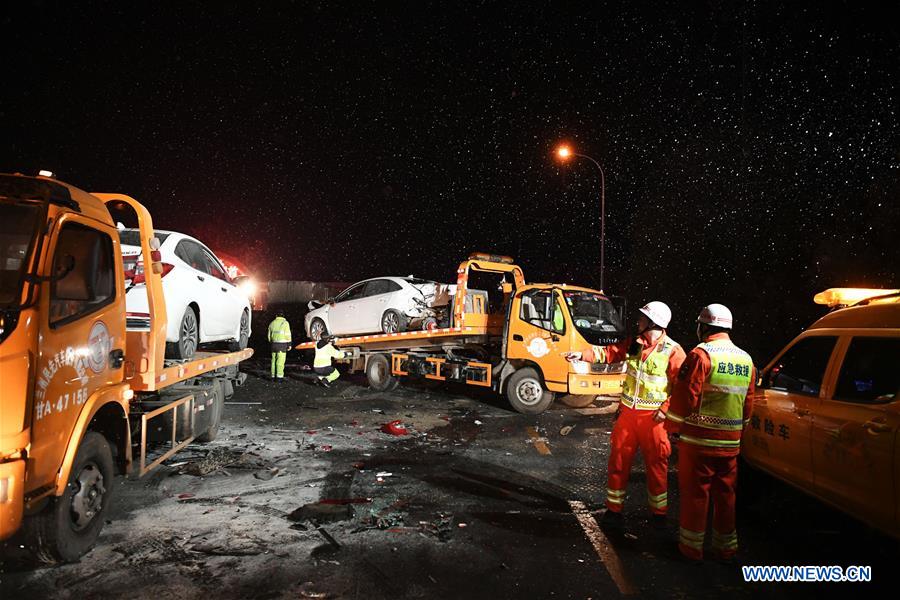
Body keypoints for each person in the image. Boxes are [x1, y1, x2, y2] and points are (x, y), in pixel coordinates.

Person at [566, 301, 685, 530]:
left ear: (653, 323)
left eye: (642, 318)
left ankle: (659, 514)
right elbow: (610, 353)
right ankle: (614, 511)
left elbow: (682, 387)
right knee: (618, 463)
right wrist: (581, 355)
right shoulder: (635, 344)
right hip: (628, 416)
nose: (638, 321)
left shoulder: (673, 351)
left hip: (654, 420)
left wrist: (665, 410)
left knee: (657, 466)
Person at [664, 303, 755, 562]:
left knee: (696, 494)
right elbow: (748, 404)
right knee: (726, 495)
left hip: (698, 442)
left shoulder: (701, 355)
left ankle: (691, 549)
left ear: (703, 327)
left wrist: (672, 427)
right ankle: (726, 548)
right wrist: (739, 432)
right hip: (730, 444)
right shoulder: (745, 359)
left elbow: (685, 397)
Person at [267, 311, 291, 381]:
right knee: (280, 361)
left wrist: (272, 341)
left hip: (273, 344)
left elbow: (269, 336)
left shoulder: (272, 323)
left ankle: (272, 376)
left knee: (273, 361)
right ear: (283, 316)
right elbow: (287, 334)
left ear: (276, 316)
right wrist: (289, 344)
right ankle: (279, 377)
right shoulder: (285, 323)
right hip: (282, 345)